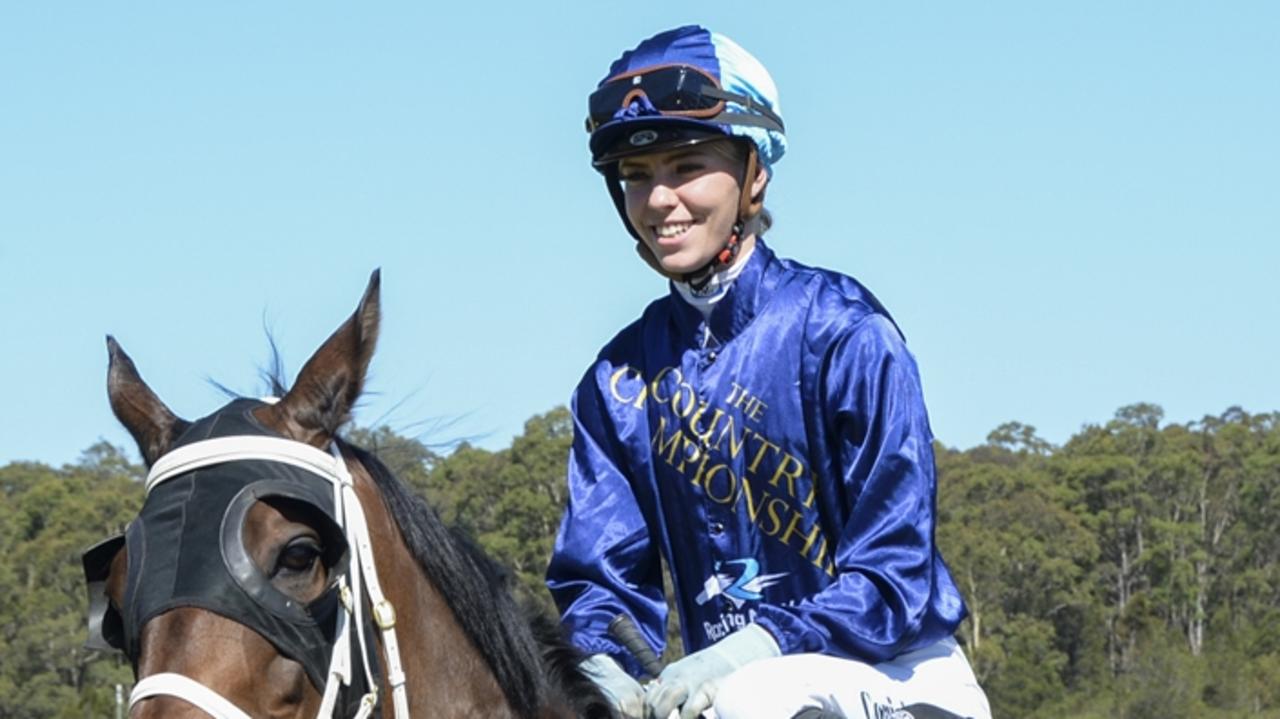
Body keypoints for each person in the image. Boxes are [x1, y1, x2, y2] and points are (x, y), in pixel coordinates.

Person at [546, 25, 991, 719]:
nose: (659, 199)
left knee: (754, 693)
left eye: (686, 166)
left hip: (898, 675)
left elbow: (894, 571)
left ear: (754, 173)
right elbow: (601, 586)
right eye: (636, 176)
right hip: (727, 700)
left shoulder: (845, 332)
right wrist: (605, 664)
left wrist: (751, 647)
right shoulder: (615, 383)